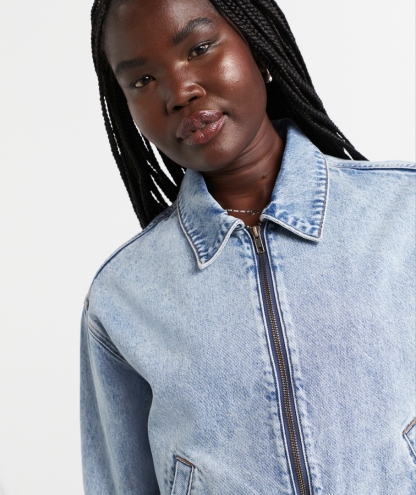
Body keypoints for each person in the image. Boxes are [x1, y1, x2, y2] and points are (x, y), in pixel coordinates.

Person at [81, 0, 416, 493]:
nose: (180, 91)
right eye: (143, 80)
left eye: (199, 48)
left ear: (258, 48)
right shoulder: (123, 296)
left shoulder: (403, 212)